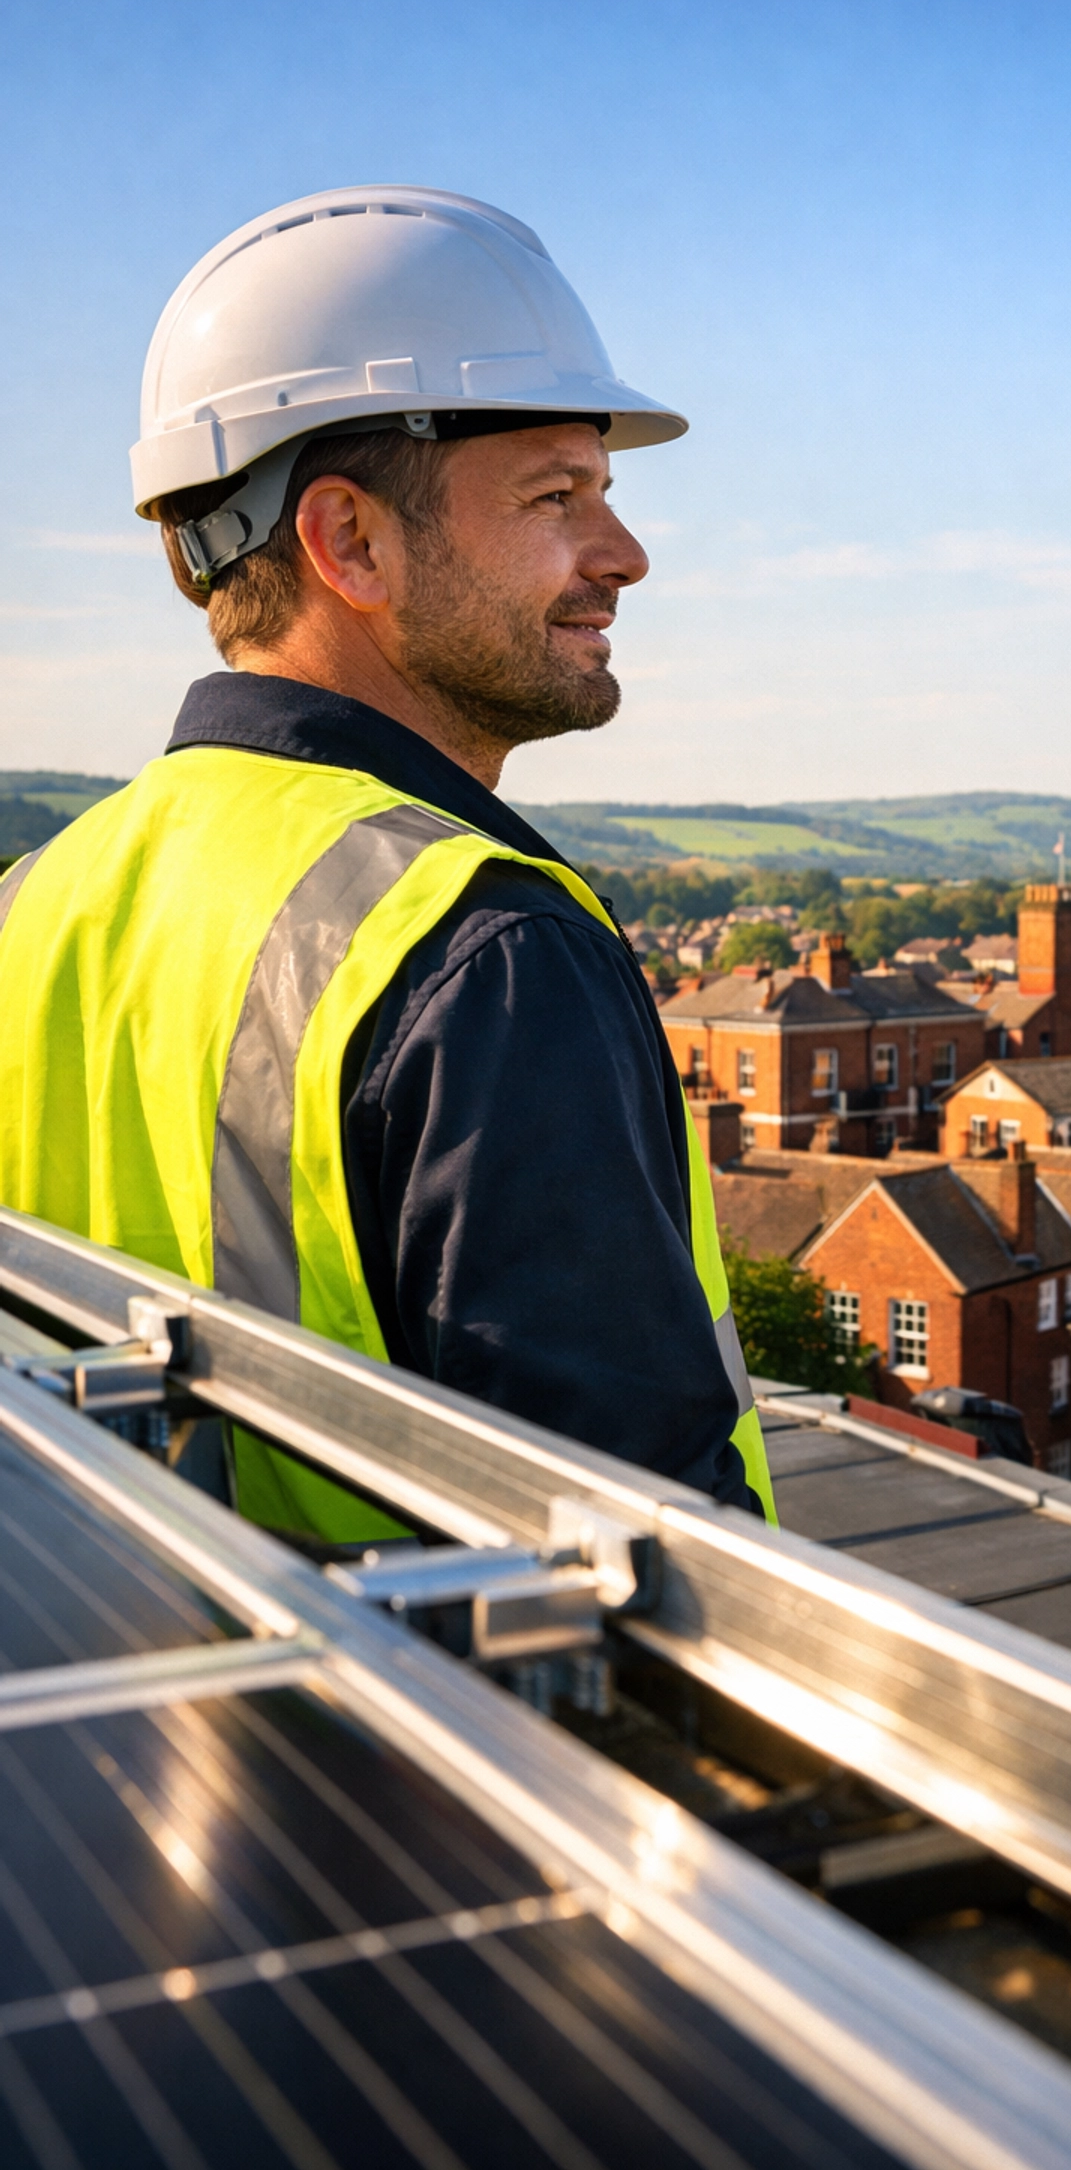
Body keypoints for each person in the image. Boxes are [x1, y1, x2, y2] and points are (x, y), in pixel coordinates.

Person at [0, 186, 774, 1538]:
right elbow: (646, 1582)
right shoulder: (481, 953)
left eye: (608, 492)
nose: (625, 553)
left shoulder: (32, 905)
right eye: (556, 494)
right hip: (414, 1744)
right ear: (349, 541)